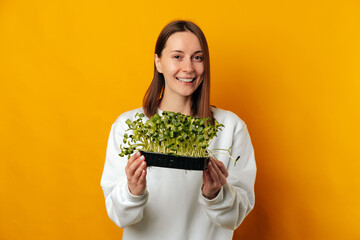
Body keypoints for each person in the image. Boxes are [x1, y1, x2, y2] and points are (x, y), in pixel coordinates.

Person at [100, 20, 256, 240]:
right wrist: (132, 191)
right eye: (177, 56)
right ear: (158, 62)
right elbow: (119, 216)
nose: (188, 68)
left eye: (197, 57)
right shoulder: (128, 125)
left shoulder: (231, 127)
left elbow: (236, 215)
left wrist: (215, 194)